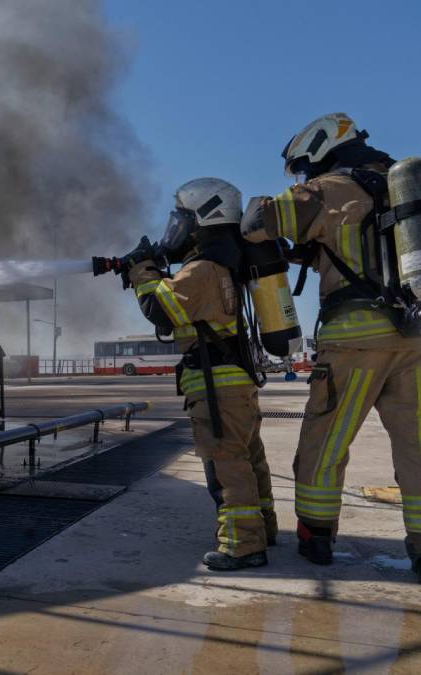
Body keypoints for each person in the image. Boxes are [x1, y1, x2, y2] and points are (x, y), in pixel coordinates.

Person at [240, 112, 421, 587]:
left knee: (325, 442)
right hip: (418, 334)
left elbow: (258, 224)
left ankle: (316, 537)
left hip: (352, 338)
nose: (302, 176)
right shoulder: (415, 189)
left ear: (317, 149)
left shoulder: (324, 190)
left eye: (301, 167)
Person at [125, 177, 278, 571]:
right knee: (249, 460)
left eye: (183, 219)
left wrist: (142, 269)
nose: (176, 229)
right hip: (236, 382)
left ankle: (242, 546)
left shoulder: (203, 269)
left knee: (226, 465)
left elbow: (161, 309)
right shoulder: (226, 262)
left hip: (217, 387)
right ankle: (264, 529)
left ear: (204, 218)